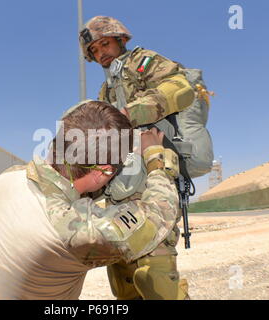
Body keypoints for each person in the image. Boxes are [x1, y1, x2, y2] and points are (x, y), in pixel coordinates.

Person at [0, 100, 181, 299]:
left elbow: (71, 186)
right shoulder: (78, 234)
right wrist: (155, 156)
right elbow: (159, 214)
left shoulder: (8, 177)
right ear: (103, 171)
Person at [79, 16, 194, 300]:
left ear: (120, 40)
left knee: (156, 279)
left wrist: (131, 114)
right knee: (124, 281)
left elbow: (181, 88)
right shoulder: (105, 90)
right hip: (120, 189)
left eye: (105, 44)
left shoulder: (143, 62)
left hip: (153, 173)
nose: (101, 52)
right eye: (94, 50)